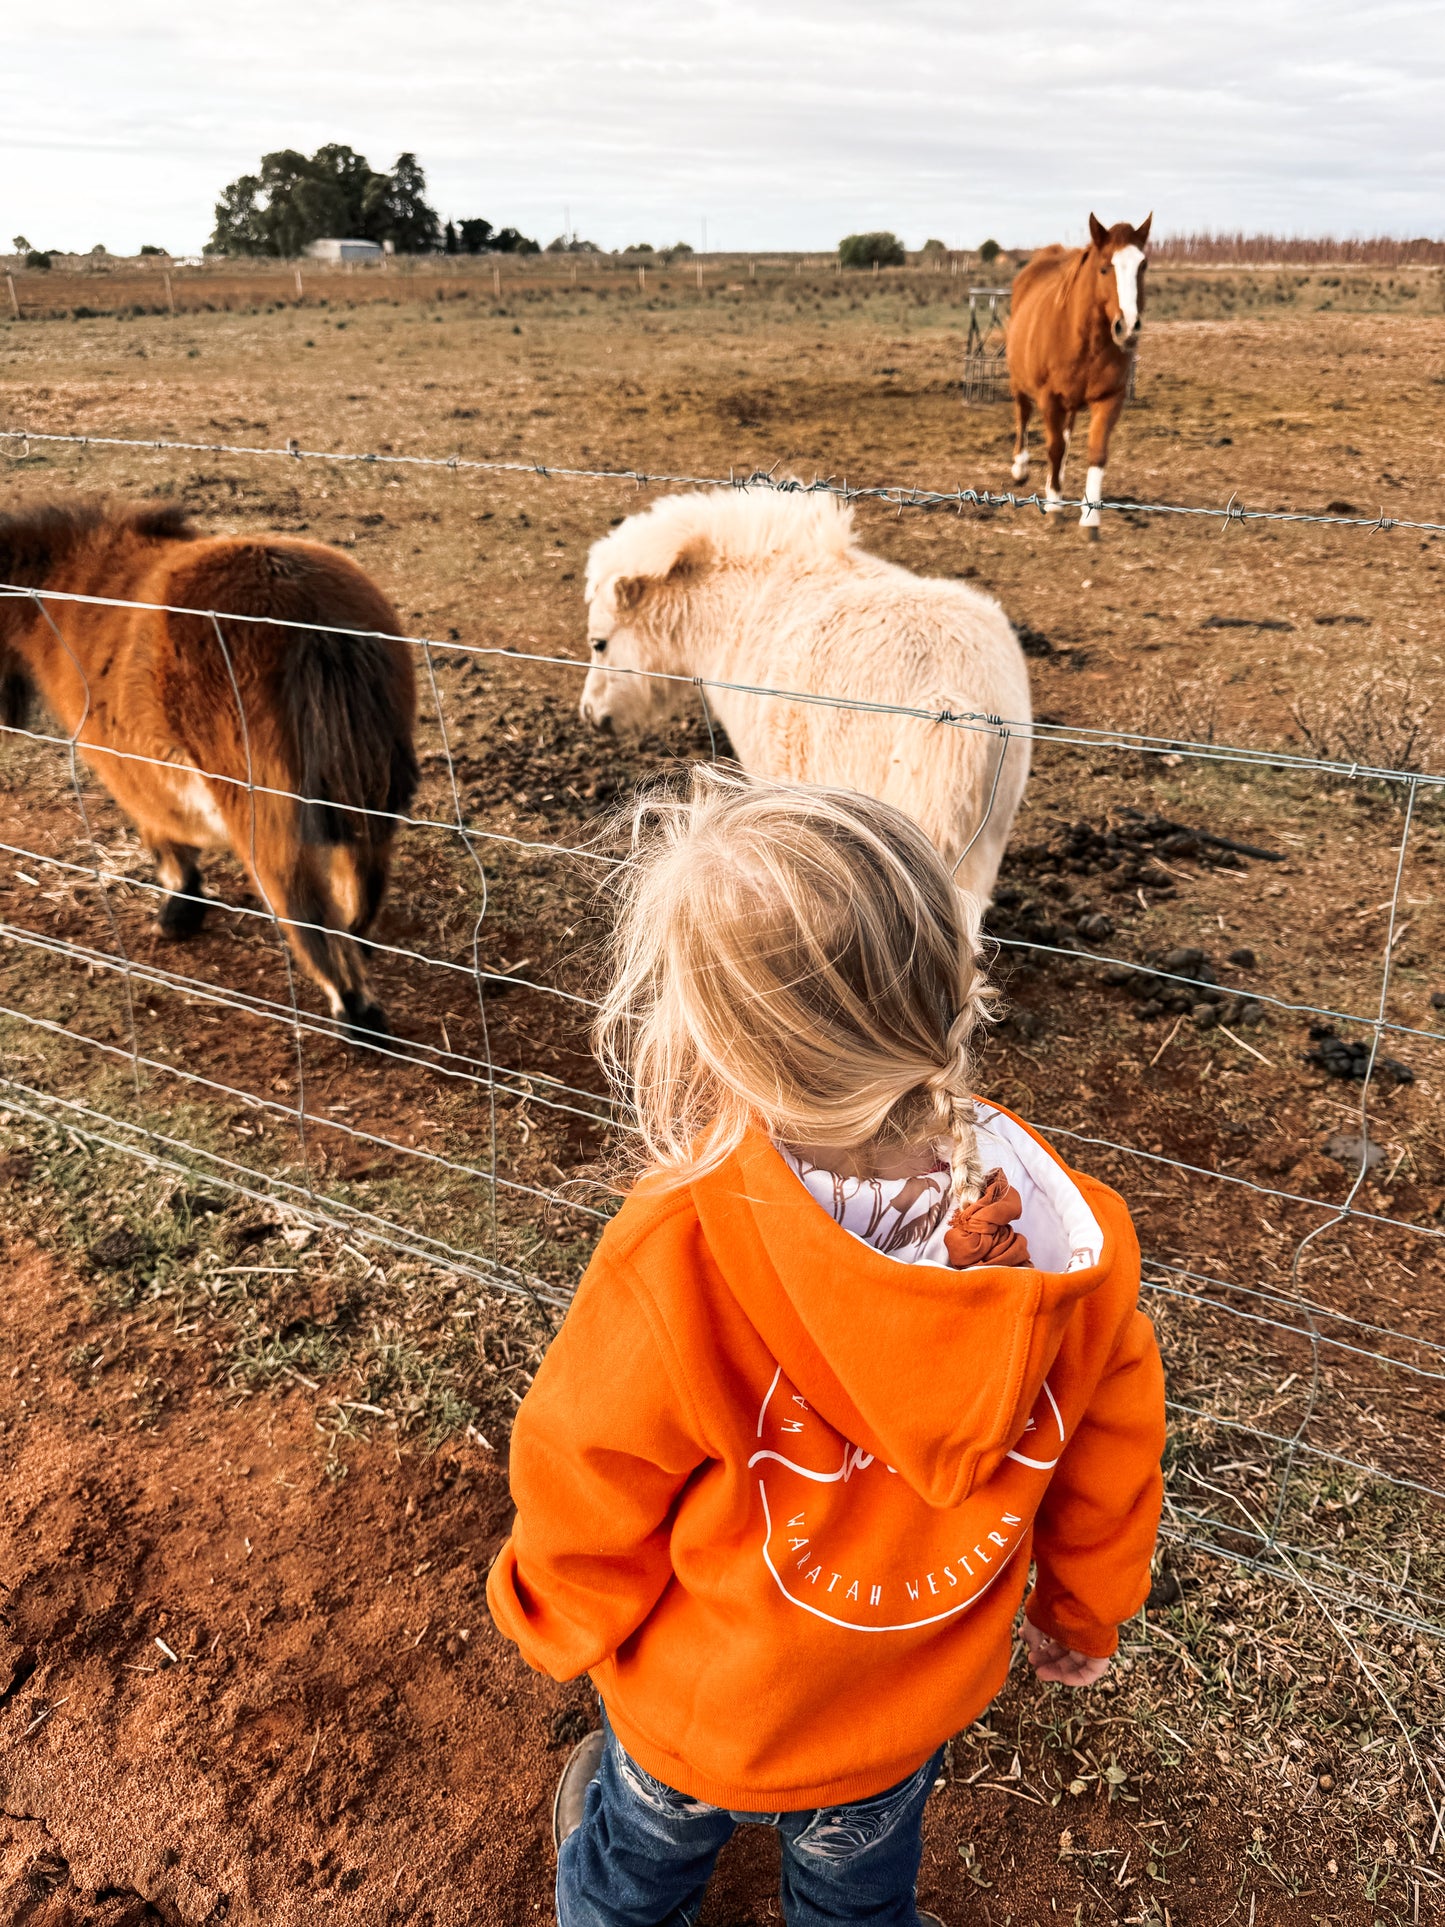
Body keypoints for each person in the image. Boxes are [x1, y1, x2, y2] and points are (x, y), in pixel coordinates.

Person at [488, 770, 1166, 1927]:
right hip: (894, 1714)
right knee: (857, 1903)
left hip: (701, 1713)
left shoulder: (676, 1245)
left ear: (713, 1044)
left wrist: (561, 1611)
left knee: (630, 1878)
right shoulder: (1068, 1242)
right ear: (952, 977)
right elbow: (1110, 1448)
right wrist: (1081, 1605)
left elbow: (586, 1463)